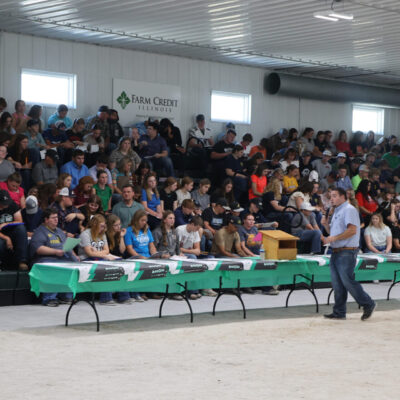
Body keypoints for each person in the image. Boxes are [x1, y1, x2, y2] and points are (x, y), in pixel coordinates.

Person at [322, 187, 376, 320]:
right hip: (336, 251)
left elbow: (352, 230)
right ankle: (339, 312)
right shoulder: (336, 211)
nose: (331, 199)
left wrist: (333, 238)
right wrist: (325, 226)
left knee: (347, 281)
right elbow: (333, 233)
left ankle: (368, 303)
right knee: (337, 283)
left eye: (334, 196)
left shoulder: (349, 210)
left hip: (347, 251)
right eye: (330, 196)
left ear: (342, 196)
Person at [29, 208, 79, 306]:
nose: (56, 220)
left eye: (57, 217)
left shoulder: (59, 231)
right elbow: (38, 248)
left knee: (72, 266)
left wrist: (75, 256)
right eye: (53, 218)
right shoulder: (40, 231)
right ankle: (49, 298)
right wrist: (55, 251)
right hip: (44, 259)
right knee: (54, 268)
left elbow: (67, 246)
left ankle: (66, 297)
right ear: (46, 220)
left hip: (61, 258)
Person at [101, 214, 133, 304]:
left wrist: (122, 236)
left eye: (119, 224)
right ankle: (107, 298)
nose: (119, 227)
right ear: (111, 226)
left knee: (126, 266)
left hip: (118, 259)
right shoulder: (105, 235)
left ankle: (124, 297)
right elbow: (106, 252)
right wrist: (116, 258)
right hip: (108, 258)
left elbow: (122, 250)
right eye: (116, 225)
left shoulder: (118, 235)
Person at [0, 189, 29, 271]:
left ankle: (22, 261)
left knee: (21, 228)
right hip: (1, 235)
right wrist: (7, 238)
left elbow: (19, 221)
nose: (6, 205)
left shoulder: (12, 205)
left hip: (11, 230)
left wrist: (5, 224)